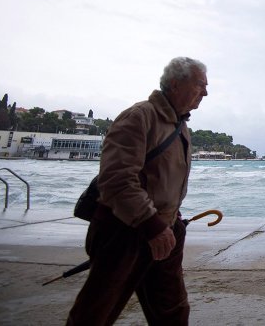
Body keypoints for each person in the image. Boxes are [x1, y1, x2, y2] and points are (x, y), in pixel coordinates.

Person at [67, 57, 208, 325]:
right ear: (176, 84)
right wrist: (152, 224)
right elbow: (117, 179)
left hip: (165, 229)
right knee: (95, 312)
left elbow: (158, 181)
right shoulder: (140, 117)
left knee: (172, 310)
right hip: (124, 232)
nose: (205, 92)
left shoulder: (181, 126)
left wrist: (169, 220)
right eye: (200, 85)